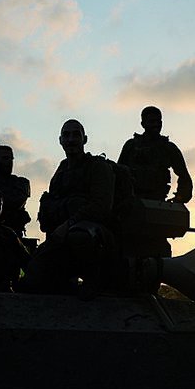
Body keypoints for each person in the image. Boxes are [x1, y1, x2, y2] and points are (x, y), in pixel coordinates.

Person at [24, 119, 129, 295]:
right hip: (63, 236)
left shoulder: (98, 167)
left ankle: (94, 280)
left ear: (84, 139)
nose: (71, 139)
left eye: (76, 135)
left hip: (98, 238)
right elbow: (51, 208)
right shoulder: (61, 171)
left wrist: (68, 224)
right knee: (31, 278)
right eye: (66, 135)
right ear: (60, 141)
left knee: (79, 235)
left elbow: (100, 207)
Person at [117, 106, 192, 204]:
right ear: (143, 124)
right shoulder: (131, 145)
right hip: (131, 200)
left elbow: (184, 176)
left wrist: (180, 198)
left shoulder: (168, 148)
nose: (156, 125)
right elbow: (119, 173)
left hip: (157, 200)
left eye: (159, 121)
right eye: (152, 121)